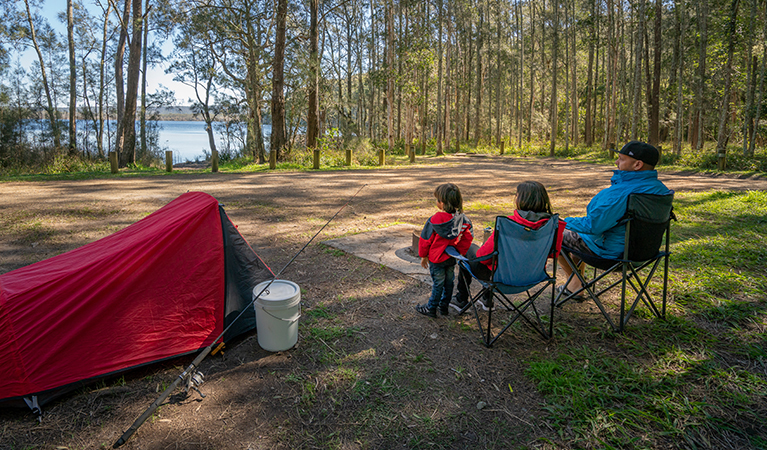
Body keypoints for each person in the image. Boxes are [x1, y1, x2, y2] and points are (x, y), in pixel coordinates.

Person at [557, 140, 672, 298]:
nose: (616, 162)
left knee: (556, 232)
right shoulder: (662, 190)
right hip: (646, 254)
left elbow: (593, 226)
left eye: (621, 159)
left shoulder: (622, 193)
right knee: (579, 236)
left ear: (637, 165)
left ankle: (576, 284)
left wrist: (563, 221)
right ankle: (576, 283)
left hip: (612, 256)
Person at [451, 181, 565, 311]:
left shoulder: (509, 225)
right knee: (492, 257)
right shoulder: (553, 225)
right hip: (533, 276)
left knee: (470, 249)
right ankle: (486, 299)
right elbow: (553, 253)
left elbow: (483, 257)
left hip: (501, 279)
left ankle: (461, 299)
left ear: (521, 199)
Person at [416, 183, 473, 318]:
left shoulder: (435, 220)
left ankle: (431, 308)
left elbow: (425, 239)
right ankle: (444, 307)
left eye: (437, 200)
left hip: (436, 258)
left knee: (438, 284)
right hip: (451, 257)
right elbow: (468, 237)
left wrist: (423, 256)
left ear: (442, 203)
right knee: (449, 284)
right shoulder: (463, 220)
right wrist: (459, 251)